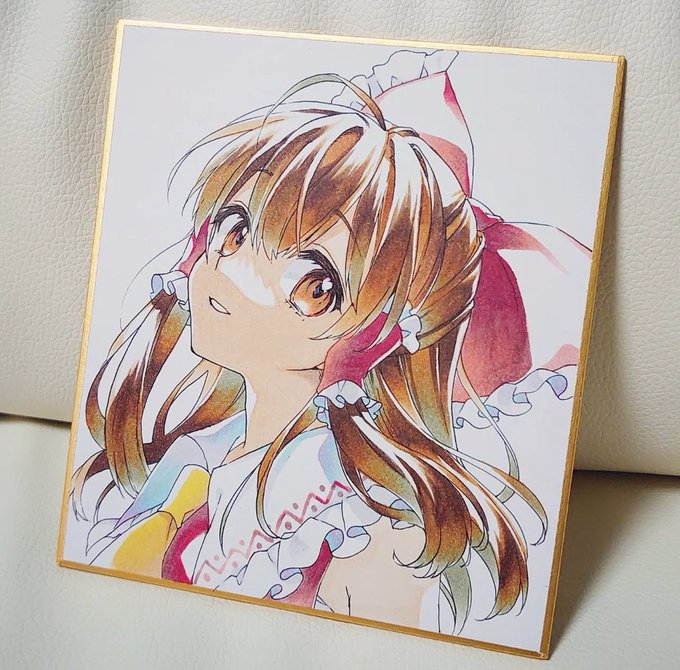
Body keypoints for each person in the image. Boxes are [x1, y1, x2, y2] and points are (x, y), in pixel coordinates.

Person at [69, 50, 589, 635]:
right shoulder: (200, 454)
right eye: (236, 229)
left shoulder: (361, 520)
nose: (232, 275)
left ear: (377, 333)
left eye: (315, 285)